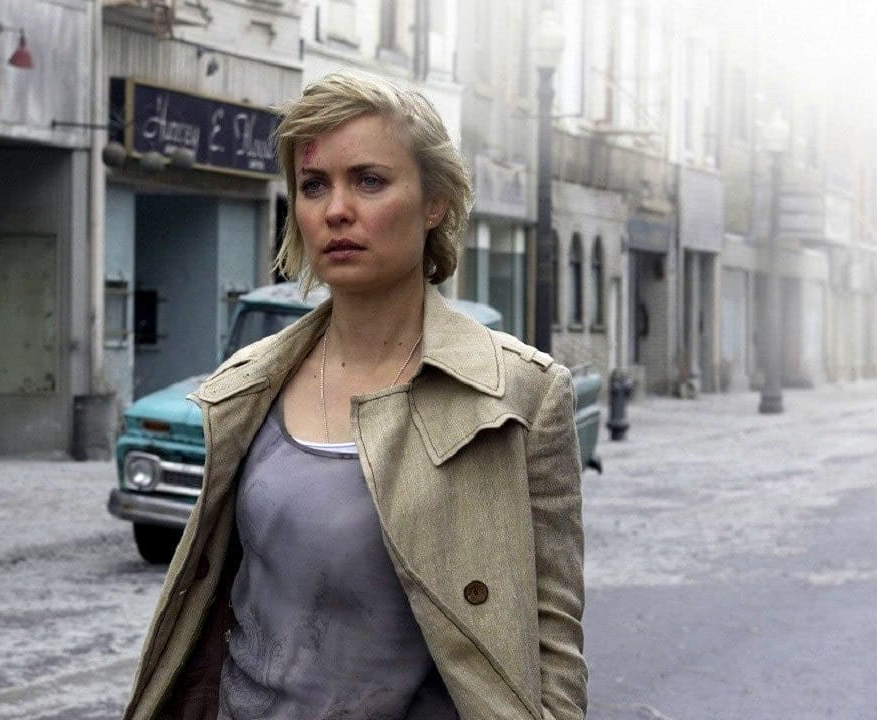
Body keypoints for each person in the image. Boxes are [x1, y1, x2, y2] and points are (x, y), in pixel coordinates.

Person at [121, 70, 587, 720]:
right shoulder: (248, 386)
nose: (336, 209)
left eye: (369, 181)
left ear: (435, 202)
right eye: (314, 185)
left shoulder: (521, 394)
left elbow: (553, 645)